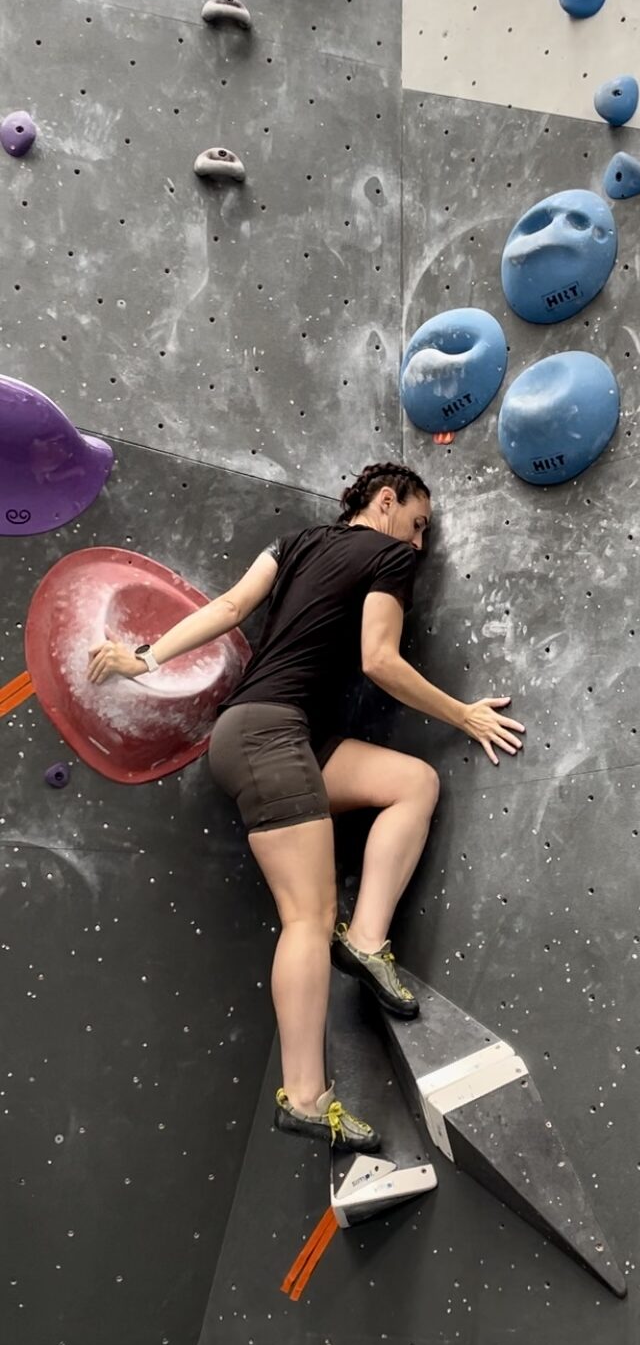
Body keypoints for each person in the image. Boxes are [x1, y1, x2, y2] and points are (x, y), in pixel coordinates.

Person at [87, 462, 524, 1153]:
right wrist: (462, 715)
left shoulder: (292, 544)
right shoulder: (385, 556)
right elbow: (379, 660)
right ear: (386, 501)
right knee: (306, 917)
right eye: (417, 525)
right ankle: (306, 1097)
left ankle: (368, 941)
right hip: (271, 736)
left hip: (276, 735)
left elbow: (231, 608)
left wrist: (146, 657)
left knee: (412, 784)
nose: (418, 545)